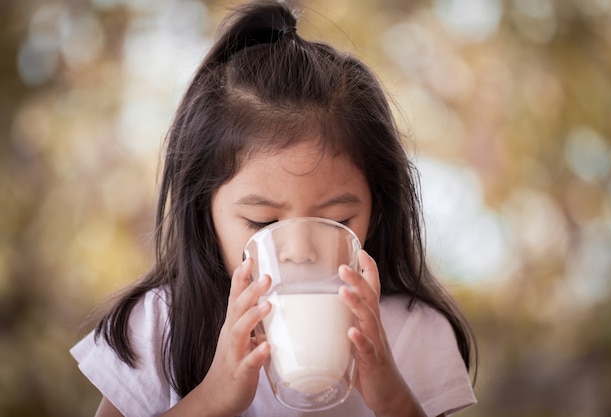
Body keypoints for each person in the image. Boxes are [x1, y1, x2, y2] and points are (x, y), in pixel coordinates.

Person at [71, 1, 478, 416]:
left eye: (336, 220)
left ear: (379, 204)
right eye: (262, 222)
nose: (299, 248)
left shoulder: (414, 333)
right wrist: (212, 398)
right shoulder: (163, 326)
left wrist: (391, 396)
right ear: (203, 211)